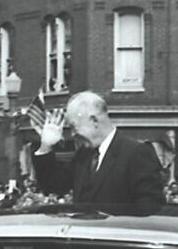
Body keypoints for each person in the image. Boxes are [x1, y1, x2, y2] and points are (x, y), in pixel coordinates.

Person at [32, 91, 163, 215]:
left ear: (94, 120)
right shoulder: (83, 155)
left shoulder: (136, 153)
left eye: (74, 126)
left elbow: (150, 209)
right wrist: (45, 147)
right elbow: (54, 187)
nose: (72, 134)